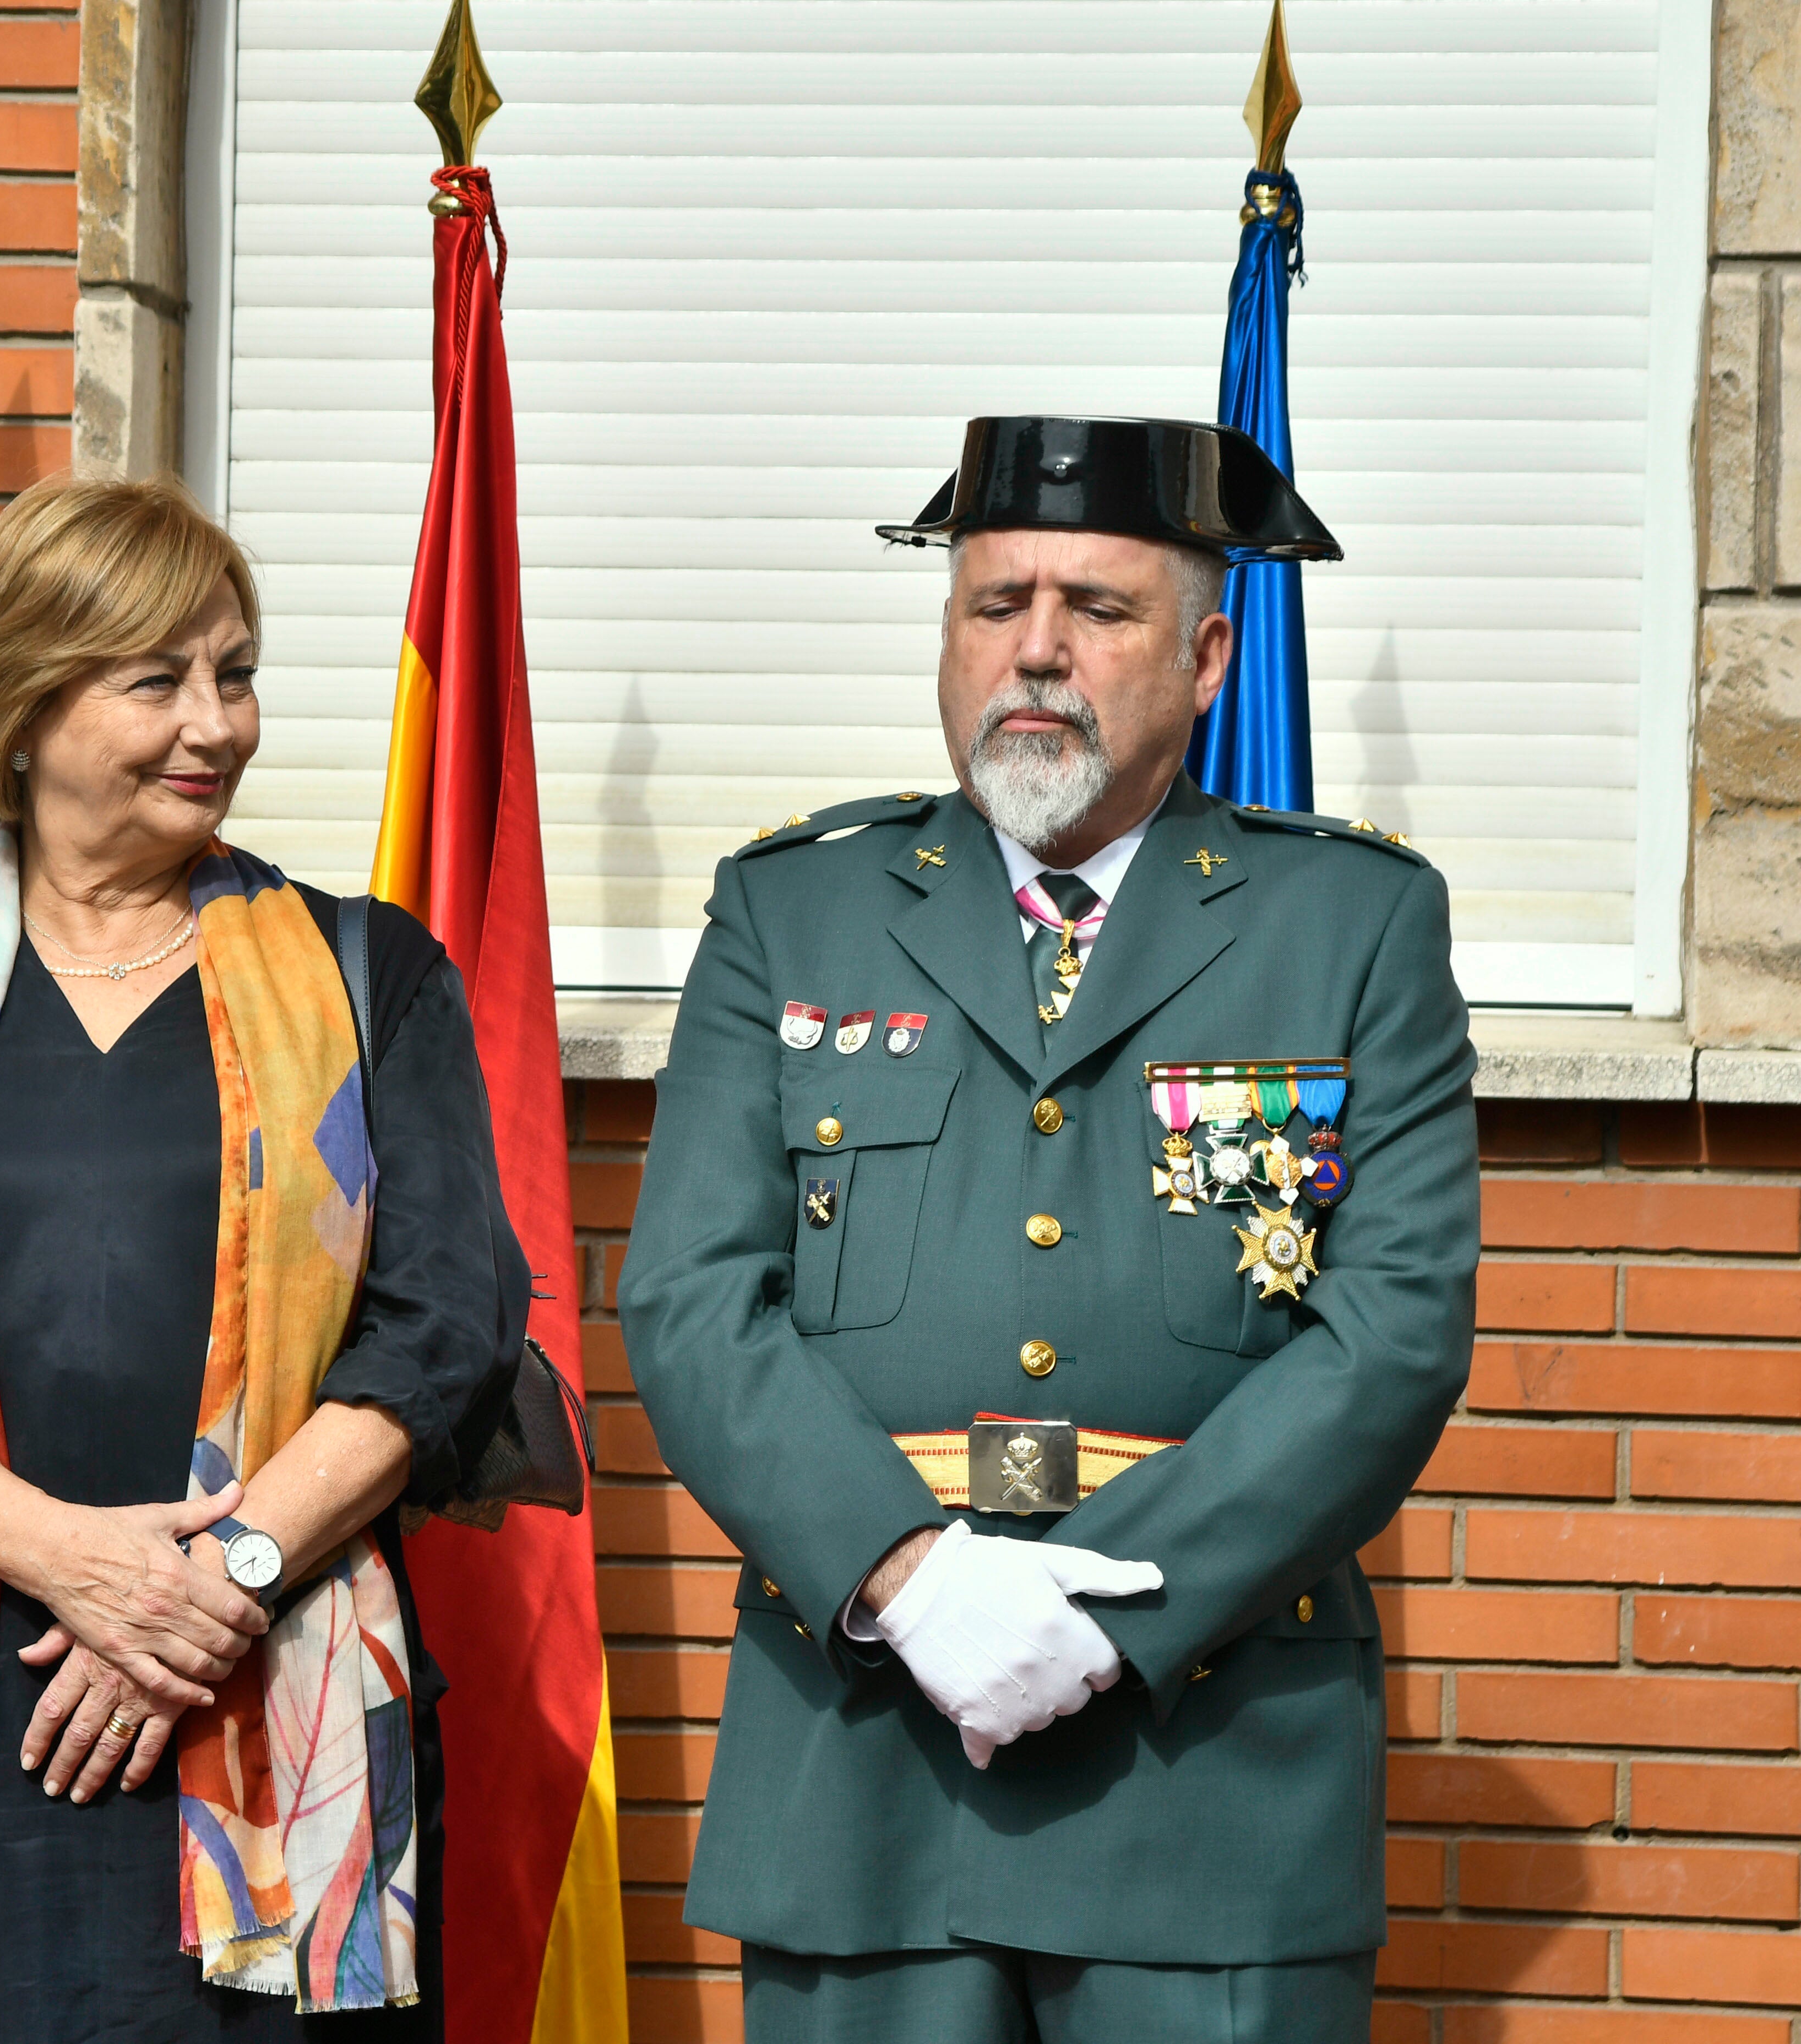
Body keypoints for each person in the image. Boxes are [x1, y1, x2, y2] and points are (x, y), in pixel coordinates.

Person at [621, 416, 1478, 2043]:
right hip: (866, 1748)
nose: (1034, 650)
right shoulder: (790, 907)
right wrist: (910, 1578)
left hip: (1211, 1767)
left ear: (1209, 654)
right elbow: (689, 1299)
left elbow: (1394, 1332)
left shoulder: (1351, 924)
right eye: (993, 602)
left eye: (1097, 608)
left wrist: (1112, 1609)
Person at [0, 472, 526, 2044]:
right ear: (22, 711)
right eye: (157, 680)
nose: (214, 723)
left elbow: (444, 1334)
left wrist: (213, 1589)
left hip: (263, 1692)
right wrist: (74, 1565)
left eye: (235, 674)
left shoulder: (372, 980)